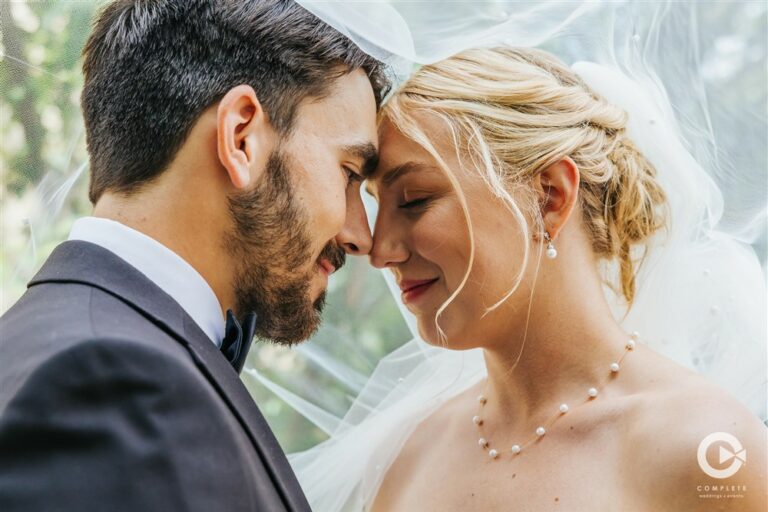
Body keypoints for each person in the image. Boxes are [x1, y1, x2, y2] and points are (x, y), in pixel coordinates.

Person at [0, 0, 387, 510]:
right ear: (241, 137)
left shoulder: (54, 345)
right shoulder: (110, 384)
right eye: (350, 172)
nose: (363, 236)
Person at [360, 47, 766, 511]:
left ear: (549, 196)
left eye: (414, 199)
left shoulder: (705, 448)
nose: (379, 251)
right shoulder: (411, 455)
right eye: (377, 207)